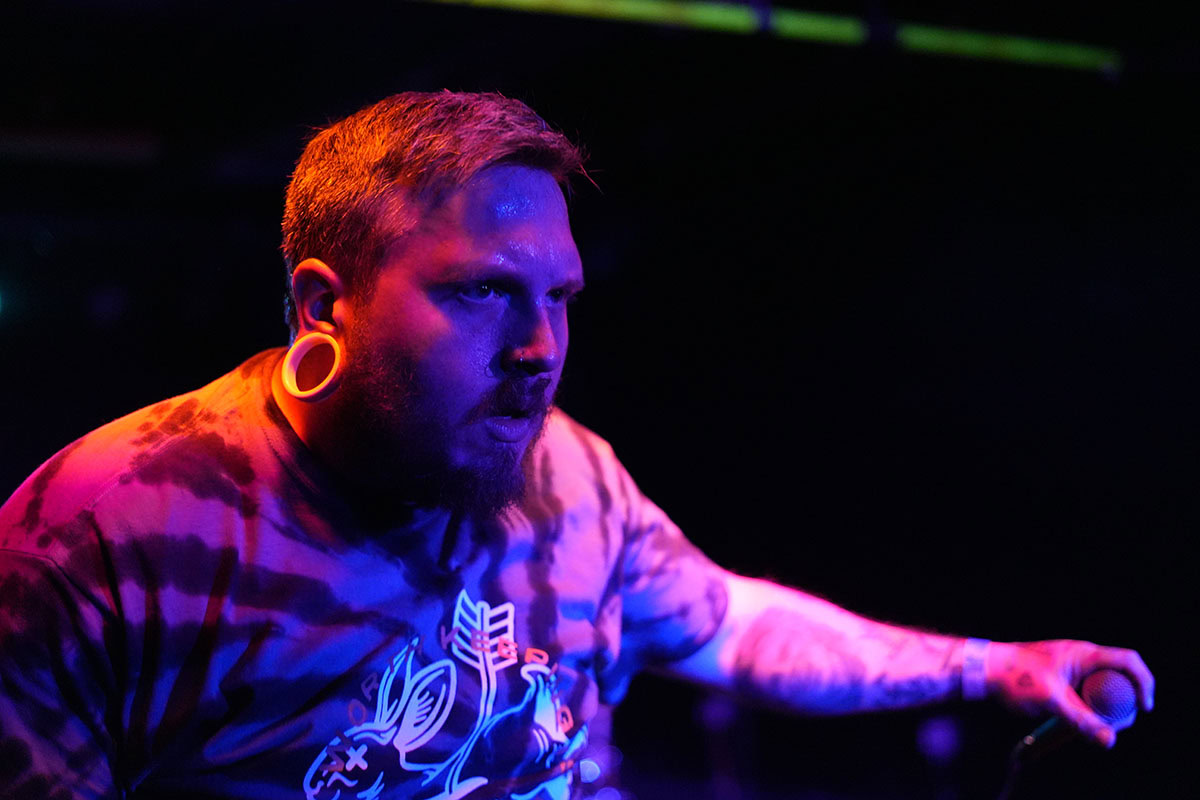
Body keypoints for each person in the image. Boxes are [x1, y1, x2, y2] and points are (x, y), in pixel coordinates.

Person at [0, 91, 1153, 800]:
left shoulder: (569, 470)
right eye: (484, 292)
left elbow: (725, 620)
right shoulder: (102, 537)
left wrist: (991, 665)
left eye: (560, 298)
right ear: (322, 306)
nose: (539, 348)